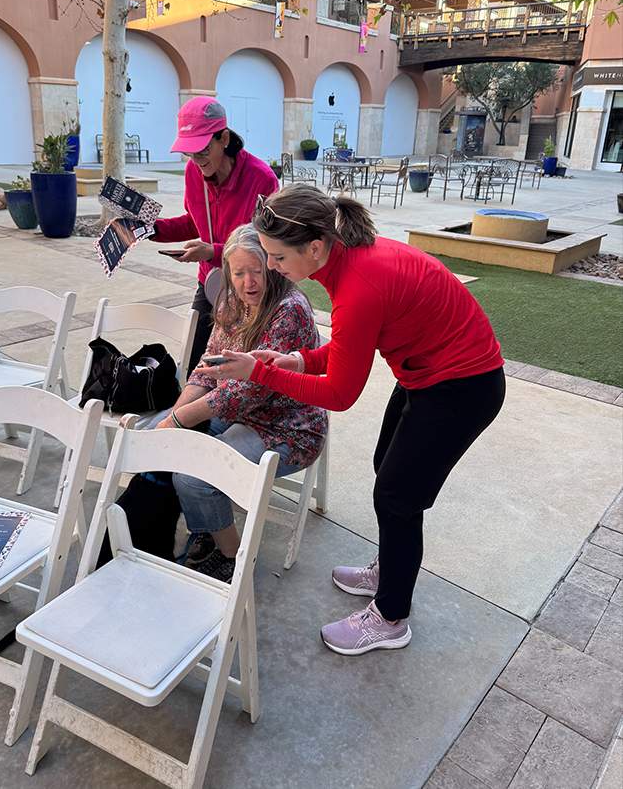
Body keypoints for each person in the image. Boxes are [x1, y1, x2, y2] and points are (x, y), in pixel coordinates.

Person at [197, 186, 506, 654]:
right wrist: (294, 361)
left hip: (464, 386)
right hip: (429, 374)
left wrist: (260, 371)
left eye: (278, 256)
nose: (272, 267)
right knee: (388, 465)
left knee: (398, 496)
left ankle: (390, 616)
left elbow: (340, 395)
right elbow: (342, 352)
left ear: (314, 248)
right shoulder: (347, 264)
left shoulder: (359, 285)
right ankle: (392, 566)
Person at [155, 224, 328, 582]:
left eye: (257, 271)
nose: (250, 282)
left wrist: (178, 422)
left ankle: (233, 557)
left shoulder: (288, 309)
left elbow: (247, 392)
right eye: (239, 273)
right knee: (182, 447)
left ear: (271, 266)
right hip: (239, 412)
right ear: (228, 273)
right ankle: (210, 524)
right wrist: (176, 414)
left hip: (289, 425)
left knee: (192, 478)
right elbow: (209, 365)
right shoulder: (233, 300)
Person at [150, 96, 278, 374]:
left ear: (224, 138)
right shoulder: (192, 172)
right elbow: (193, 223)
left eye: (203, 150)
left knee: (239, 372)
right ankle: (192, 418)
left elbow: (266, 244)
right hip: (211, 284)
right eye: (190, 153)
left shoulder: (261, 178)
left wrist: (213, 251)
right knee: (194, 367)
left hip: (249, 287)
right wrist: (151, 228)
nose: (196, 160)